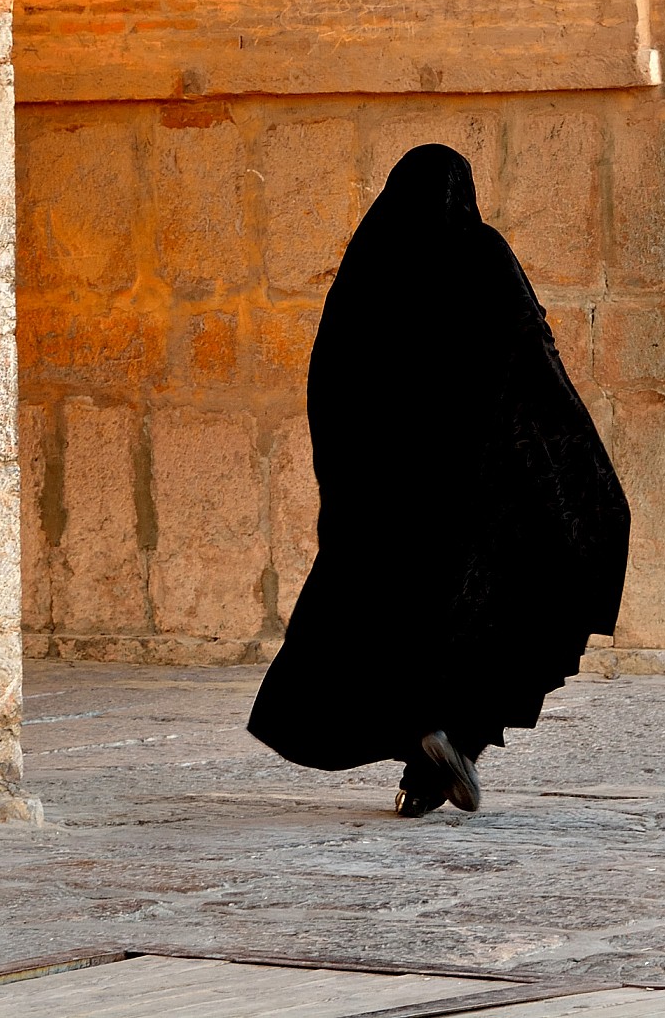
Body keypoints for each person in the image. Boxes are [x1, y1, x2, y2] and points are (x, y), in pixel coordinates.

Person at [248, 144, 630, 816]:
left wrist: (348, 482)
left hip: (387, 501)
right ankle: (444, 745)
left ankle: (424, 759)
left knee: (393, 623)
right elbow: (531, 358)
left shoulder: (370, 266)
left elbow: (330, 380)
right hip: (475, 496)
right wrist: (570, 470)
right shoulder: (481, 255)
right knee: (486, 620)